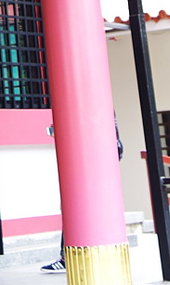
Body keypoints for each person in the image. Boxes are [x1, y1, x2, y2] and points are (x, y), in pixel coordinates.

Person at [42, 117, 123, 273]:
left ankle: (75, 254)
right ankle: (69, 255)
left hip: (91, 163)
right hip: (88, 161)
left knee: (80, 207)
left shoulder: (93, 120)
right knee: (75, 208)